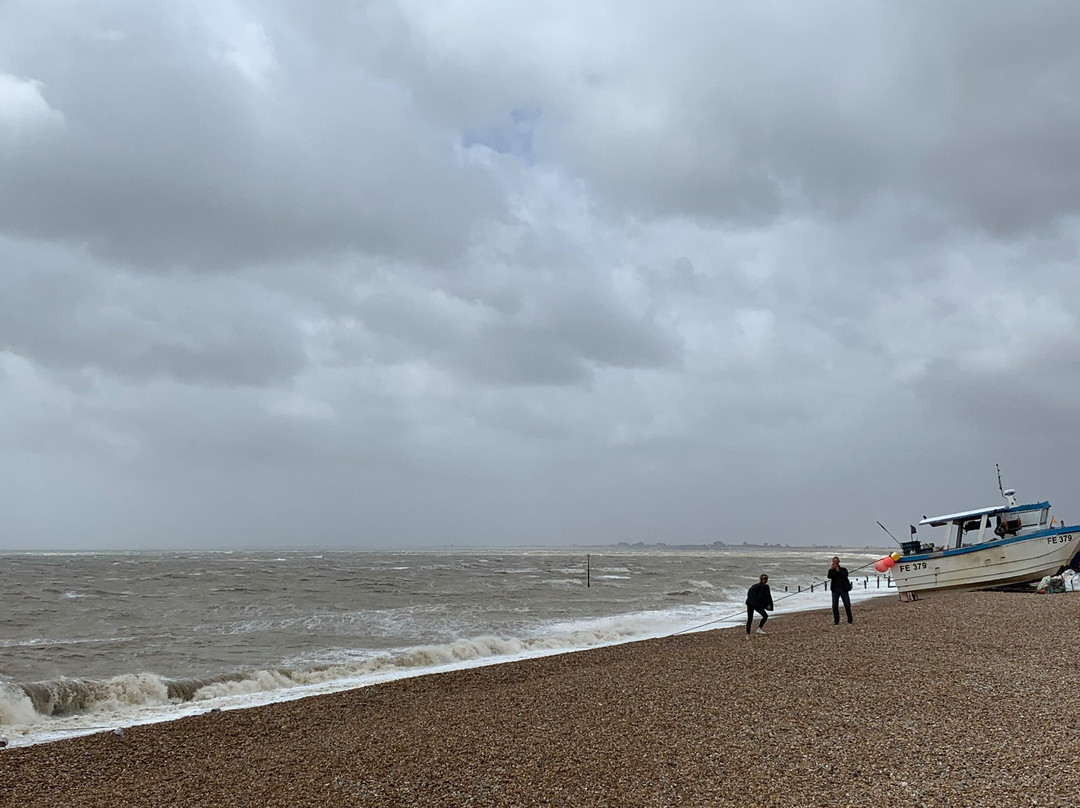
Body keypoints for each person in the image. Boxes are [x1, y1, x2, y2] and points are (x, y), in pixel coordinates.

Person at [827, 556, 853, 625]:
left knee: (847, 605)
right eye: (834, 562)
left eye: (836, 562)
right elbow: (829, 576)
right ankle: (836, 621)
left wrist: (838, 570)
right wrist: (831, 570)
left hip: (843, 589)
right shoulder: (831, 570)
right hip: (835, 590)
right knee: (835, 606)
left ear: (839, 562)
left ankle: (850, 620)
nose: (835, 563)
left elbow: (845, 575)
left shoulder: (843, 569)